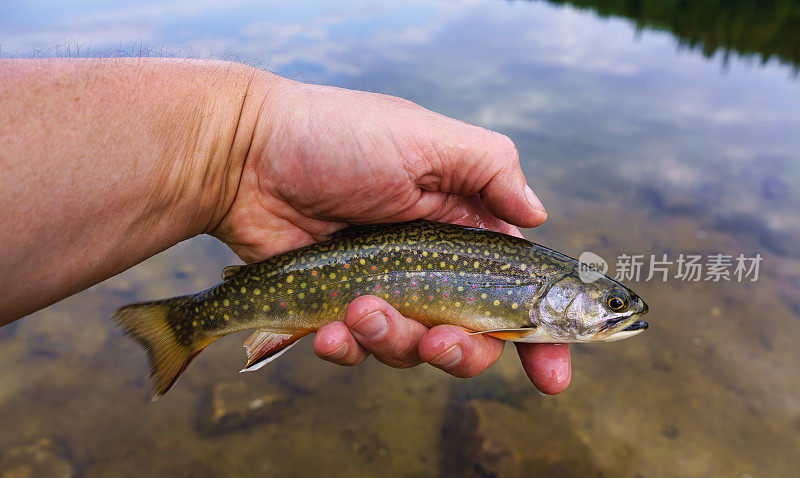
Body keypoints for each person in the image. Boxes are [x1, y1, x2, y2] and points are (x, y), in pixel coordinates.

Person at [0, 58, 571, 394]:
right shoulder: (527, 292)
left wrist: (240, 146)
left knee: (368, 325)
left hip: (328, 259)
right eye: (613, 307)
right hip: (328, 262)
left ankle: (187, 325)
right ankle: (183, 325)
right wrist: (238, 146)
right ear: (561, 295)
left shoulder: (528, 279)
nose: (621, 314)